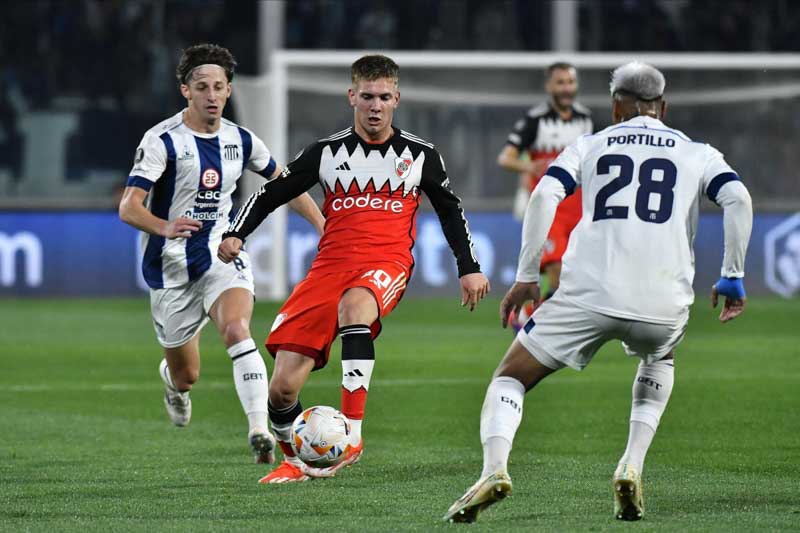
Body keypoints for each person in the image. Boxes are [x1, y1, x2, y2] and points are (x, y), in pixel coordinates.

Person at [445, 62, 752, 523]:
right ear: (663, 107)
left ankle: (494, 470)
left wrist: (528, 275)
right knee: (660, 358)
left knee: (509, 377)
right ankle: (630, 465)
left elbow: (544, 195)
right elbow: (738, 199)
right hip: (662, 303)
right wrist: (732, 274)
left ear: (614, 107)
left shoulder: (589, 144)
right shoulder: (697, 152)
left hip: (586, 296)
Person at [218, 54, 491, 484]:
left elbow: (451, 213)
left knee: (354, 310)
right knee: (282, 389)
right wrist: (237, 232)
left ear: (397, 98)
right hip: (328, 268)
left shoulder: (419, 155)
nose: (375, 105)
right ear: (352, 97)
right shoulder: (325, 153)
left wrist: (469, 266)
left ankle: (353, 437)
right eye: (367, 96)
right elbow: (272, 193)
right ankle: (297, 460)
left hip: (386, 262)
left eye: (384, 97)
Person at [118, 44, 325, 464]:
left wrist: (325, 227)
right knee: (186, 374)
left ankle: (258, 431)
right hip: (170, 266)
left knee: (236, 329)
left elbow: (284, 184)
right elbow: (128, 206)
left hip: (221, 254)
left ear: (228, 90)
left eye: (218, 87)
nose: (211, 95)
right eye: (201, 87)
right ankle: (172, 383)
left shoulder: (242, 139)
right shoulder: (162, 140)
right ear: (185, 91)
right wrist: (164, 226)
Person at [497, 62, 593, 305]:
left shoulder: (586, 119)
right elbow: (505, 158)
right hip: (551, 213)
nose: (566, 88)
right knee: (558, 278)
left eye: (570, 82)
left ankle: (528, 320)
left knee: (575, 284)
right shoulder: (535, 120)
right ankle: (533, 331)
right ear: (549, 86)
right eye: (560, 82)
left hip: (579, 212)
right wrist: (528, 167)